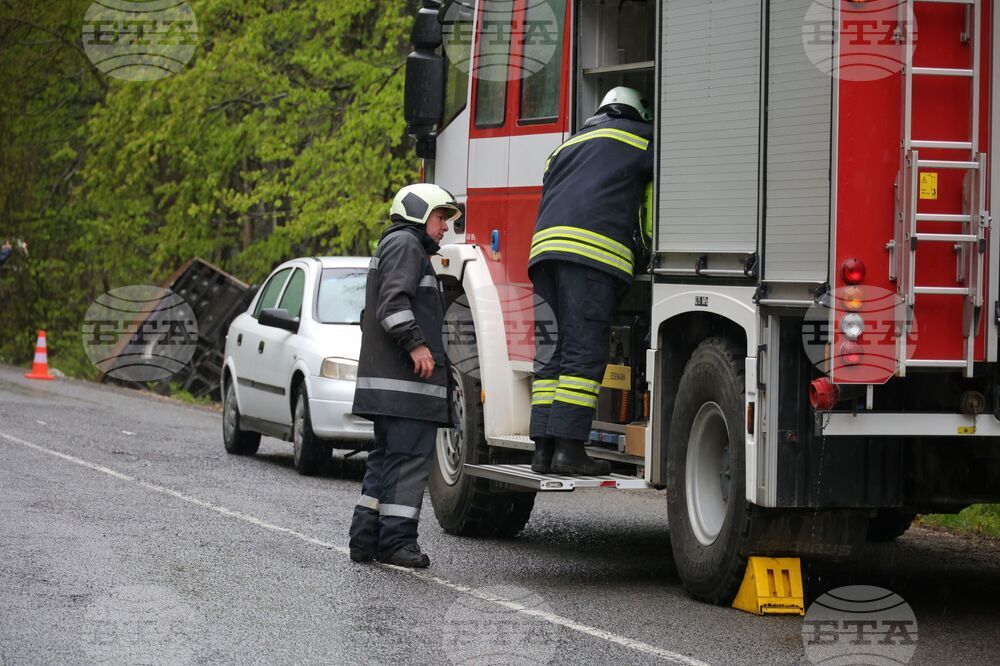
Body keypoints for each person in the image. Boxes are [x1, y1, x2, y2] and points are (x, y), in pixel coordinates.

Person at [527, 87, 655, 476]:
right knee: (583, 352)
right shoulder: (641, 137)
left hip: (544, 255)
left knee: (552, 352)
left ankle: (543, 451)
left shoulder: (565, 147)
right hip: (589, 257)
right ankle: (570, 451)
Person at [349, 183, 462, 568]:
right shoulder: (406, 246)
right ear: (418, 212)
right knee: (410, 461)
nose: (445, 226)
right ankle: (397, 543)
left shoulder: (398, 246)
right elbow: (393, 304)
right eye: (440, 217)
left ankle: (365, 540)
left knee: (386, 460)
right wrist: (416, 344)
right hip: (406, 390)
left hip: (391, 390)